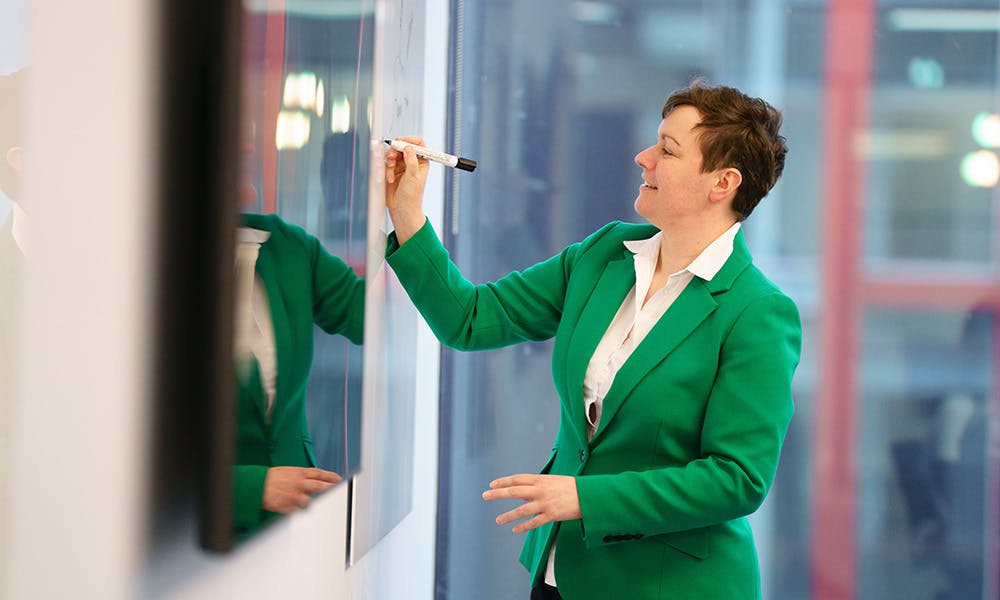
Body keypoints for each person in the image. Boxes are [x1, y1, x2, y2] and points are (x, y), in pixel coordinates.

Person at [383, 80, 802, 599]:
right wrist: (406, 212)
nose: (643, 157)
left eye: (668, 150)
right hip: (562, 572)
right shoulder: (604, 254)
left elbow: (737, 478)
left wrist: (584, 497)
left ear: (723, 183)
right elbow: (469, 319)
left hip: (668, 586)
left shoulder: (757, 312)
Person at [231, 212, 365, 536]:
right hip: (193, 543)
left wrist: (402, 219)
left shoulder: (287, 246)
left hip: (295, 527)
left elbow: (374, 318)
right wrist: (253, 488)